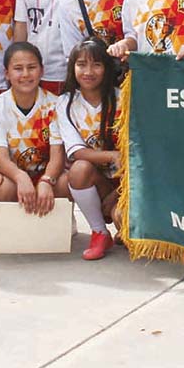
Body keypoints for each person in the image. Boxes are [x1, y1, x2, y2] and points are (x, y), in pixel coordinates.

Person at [0, 42, 69, 214]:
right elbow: (1, 159)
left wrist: (46, 181)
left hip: (46, 175)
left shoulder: (55, 104)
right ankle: (12, 225)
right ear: (7, 74)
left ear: (42, 71)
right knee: (4, 187)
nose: (25, 74)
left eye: (31, 67)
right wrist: (20, 177)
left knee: (67, 181)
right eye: (18, 69)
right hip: (14, 176)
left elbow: (57, 156)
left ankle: (60, 221)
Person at [59, 38, 122, 260]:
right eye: (81, 64)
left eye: (96, 65)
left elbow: (138, 153)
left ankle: (124, 228)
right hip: (98, 179)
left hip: (127, 183)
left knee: (126, 222)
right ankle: (99, 232)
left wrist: (118, 193)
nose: (88, 72)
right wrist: (112, 155)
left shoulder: (123, 97)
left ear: (107, 68)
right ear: (72, 67)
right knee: (79, 169)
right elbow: (77, 152)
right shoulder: (66, 102)